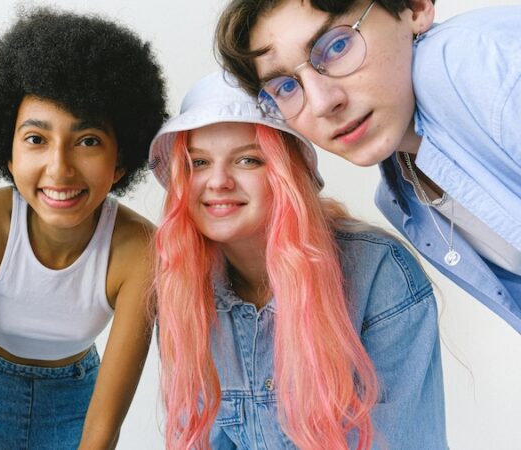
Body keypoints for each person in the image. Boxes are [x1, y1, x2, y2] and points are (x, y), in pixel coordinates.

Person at [149, 71, 446, 450]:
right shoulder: (184, 285)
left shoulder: (380, 273)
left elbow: (405, 441)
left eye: (248, 161)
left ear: (287, 176)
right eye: (199, 163)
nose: (218, 181)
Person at [0, 7, 167, 450]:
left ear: (120, 161)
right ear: (8, 153)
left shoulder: (142, 248)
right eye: (36, 139)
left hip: (77, 401)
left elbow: (103, 429)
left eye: (88, 141)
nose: (60, 169)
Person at [215, 0, 521, 333]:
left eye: (336, 46)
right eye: (286, 87)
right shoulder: (402, 199)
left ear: (415, 9)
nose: (322, 103)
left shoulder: (469, 63)